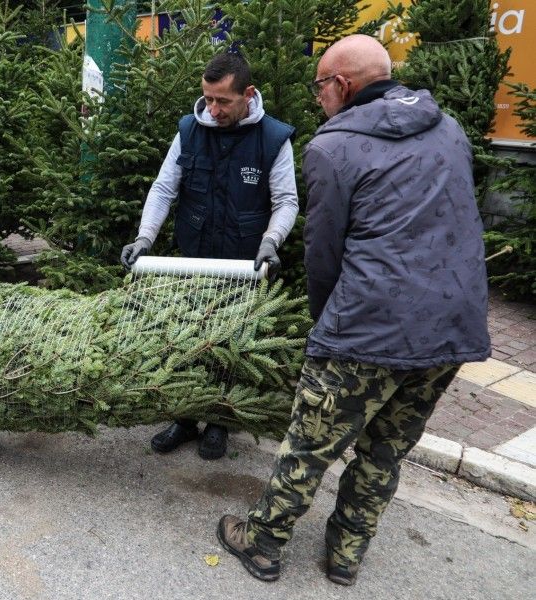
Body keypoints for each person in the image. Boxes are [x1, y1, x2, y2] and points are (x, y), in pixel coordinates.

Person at [216, 35, 491, 585]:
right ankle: (345, 555)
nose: (317, 97)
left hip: (368, 324)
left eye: (320, 86)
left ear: (341, 85)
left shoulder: (332, 147)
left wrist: (329, 324)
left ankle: (265, 543)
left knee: (309, 445)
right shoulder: (449, 128)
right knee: (386, 449)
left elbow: (323, 252)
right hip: (453, 326)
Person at [120, 51, 298, 460]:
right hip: (194, 259)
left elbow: (286, 200)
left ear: (247, 94)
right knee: (186, 339)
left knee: (231, 345)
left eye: (223, 101)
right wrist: (145, 237)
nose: (212, 109)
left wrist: (271, 241)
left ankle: (219, 421)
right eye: (208, 99)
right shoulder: (188, 130)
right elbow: (164, 189)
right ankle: (184, 418)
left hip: (243, 266)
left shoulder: (273, 138)